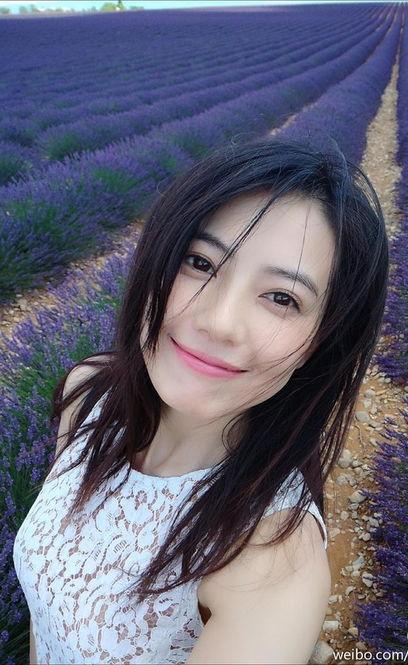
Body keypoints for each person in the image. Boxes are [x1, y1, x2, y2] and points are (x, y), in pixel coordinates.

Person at [13, 138, 388, 664]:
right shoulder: (89, 394)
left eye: (282, 297)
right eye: (200, 262)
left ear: (320, 343)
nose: (219, 321)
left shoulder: (269, 559)